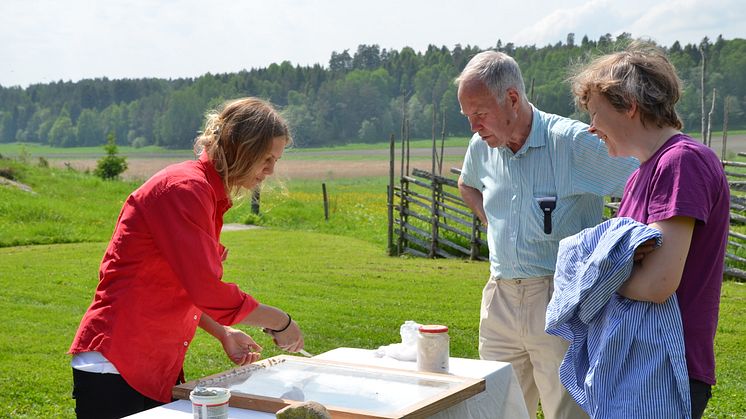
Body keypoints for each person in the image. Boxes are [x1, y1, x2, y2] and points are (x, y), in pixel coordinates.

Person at [69, 97, 305, 418]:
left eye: (275, 159)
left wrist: (223, 332)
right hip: (116, 363)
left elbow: (183, 286)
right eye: (266, 158)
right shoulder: (184, 189)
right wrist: (281, 322)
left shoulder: (206, 193)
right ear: (240, 148)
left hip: (149, 364)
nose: (271, 170)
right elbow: (208, 290)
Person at [455, 51, 638, 419]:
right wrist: (494, 224)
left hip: (560, 295)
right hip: (500, 297)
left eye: (480, 113)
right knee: (498, 409)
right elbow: (466, 184)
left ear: (511, 98)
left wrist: (626, 246)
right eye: (467, 116)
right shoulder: (483, 147)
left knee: (566, 410)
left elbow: (642, 176)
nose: (474, 126)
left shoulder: (571, 144)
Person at [569, 41, 729, 419]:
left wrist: (592, 278)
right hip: (639, 362)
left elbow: (657, 283)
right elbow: (631, 267)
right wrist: (619, 267)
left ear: (628, 105)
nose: (591, 127)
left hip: (665, 368)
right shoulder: (644, 172)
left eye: (596, 113)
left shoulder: (681, 163)